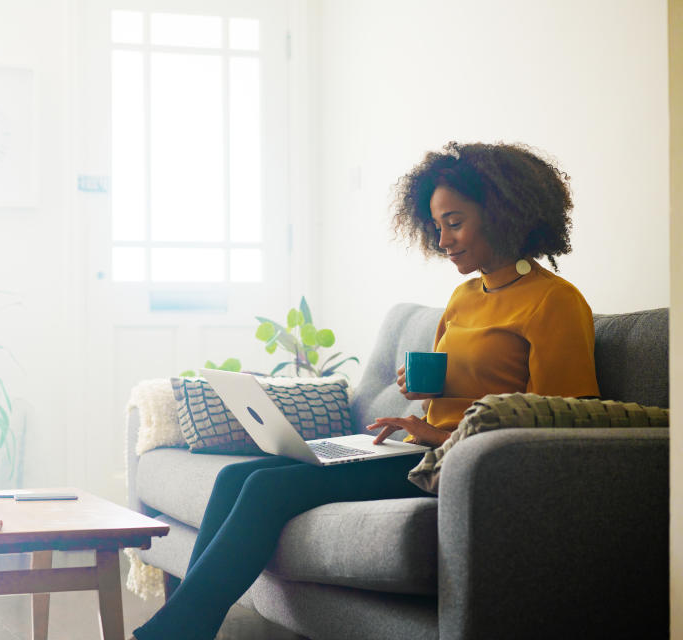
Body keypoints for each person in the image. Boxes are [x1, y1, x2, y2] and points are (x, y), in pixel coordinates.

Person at [129, 141, 600, 640]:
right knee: (237, 479)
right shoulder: (465, 296)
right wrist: (422, 395)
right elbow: (471, 387)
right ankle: (182, 630)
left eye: (455, 222)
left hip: (454, 464)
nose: (443, 241)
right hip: (414, 446)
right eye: (437, 226)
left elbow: (556, 423)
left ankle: (169, 635)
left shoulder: (555, 301)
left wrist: (437, 435)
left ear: (504, 213)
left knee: (269, 488)